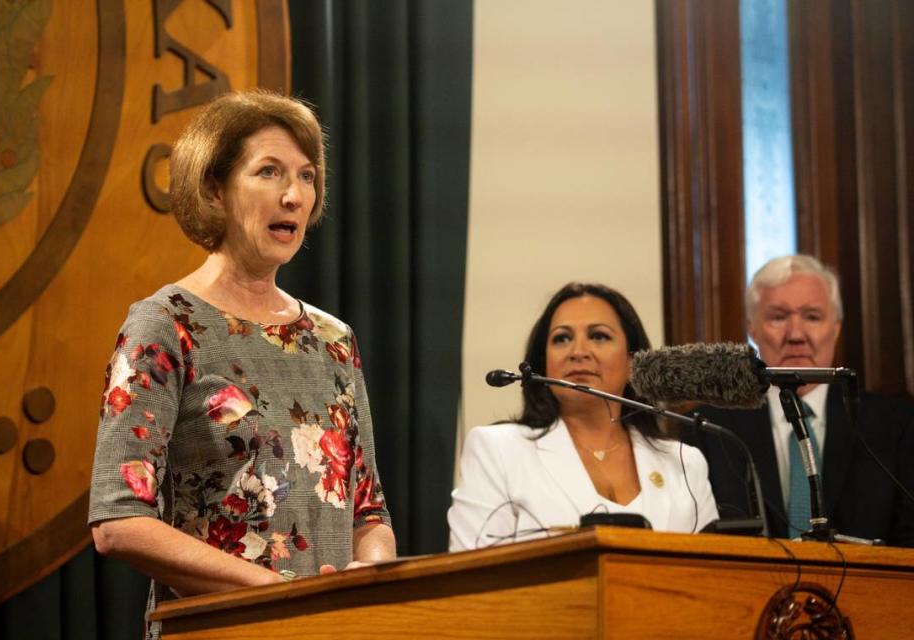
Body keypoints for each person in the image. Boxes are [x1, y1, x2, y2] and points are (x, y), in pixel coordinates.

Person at [88, 90, 395, 636]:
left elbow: (369, 515)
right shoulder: (165, 324)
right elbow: (118, 522)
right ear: (214, 189)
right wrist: (275, 594)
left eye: (306, 176)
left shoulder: (334, 340)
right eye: (269, 172)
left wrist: (360, 580)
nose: (294, 195)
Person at [448, 283, 718, 551]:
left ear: (633, 363)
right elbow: (470, 576)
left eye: (599, 336)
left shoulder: (684, 463)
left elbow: (716, 577)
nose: (578, 352)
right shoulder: (497, 450)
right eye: (561, 338)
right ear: (543, 364)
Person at [693, 254, 914, 544]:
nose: (796, 335)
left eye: (812, 317)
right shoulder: (710, 428)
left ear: (835, 328)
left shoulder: (894, 425)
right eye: (778, 317)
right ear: (753, 330)